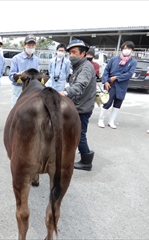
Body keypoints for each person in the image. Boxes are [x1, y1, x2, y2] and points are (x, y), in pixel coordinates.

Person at [59, 39, 96, 171]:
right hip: (78, 105)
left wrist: (64, 92)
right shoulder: (78, 66)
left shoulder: (85, 68)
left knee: (79, 135)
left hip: (82, 108)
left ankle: (86, 161)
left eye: (74, 52)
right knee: (74, 133)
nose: (71, 55)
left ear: (83, 54)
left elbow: (79, 86)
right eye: (70, 53)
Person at [97, 41, 137, 129]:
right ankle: (101, 120)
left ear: (132, 50)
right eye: (125, 48)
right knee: (107, 103)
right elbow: (106, 70)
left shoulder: (133, 62)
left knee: (117, 104)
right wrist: (105, 81)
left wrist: (117, 77)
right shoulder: (114, 59)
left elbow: (129, 74)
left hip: (122, 86)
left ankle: (111, 121)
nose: (127, 50)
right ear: (122, 49)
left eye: (129, 48)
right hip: (111, 85)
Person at [9, 34, 39, 107]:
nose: (31, 47)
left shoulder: (36, 60)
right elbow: (11, 76)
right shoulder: (16, 59)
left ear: (35, 46)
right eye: (29, 45)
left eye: (33, 45)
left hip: (32, 90)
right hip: (19, 89)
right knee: (16, 112)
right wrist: (19, 75)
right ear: (24, 45)